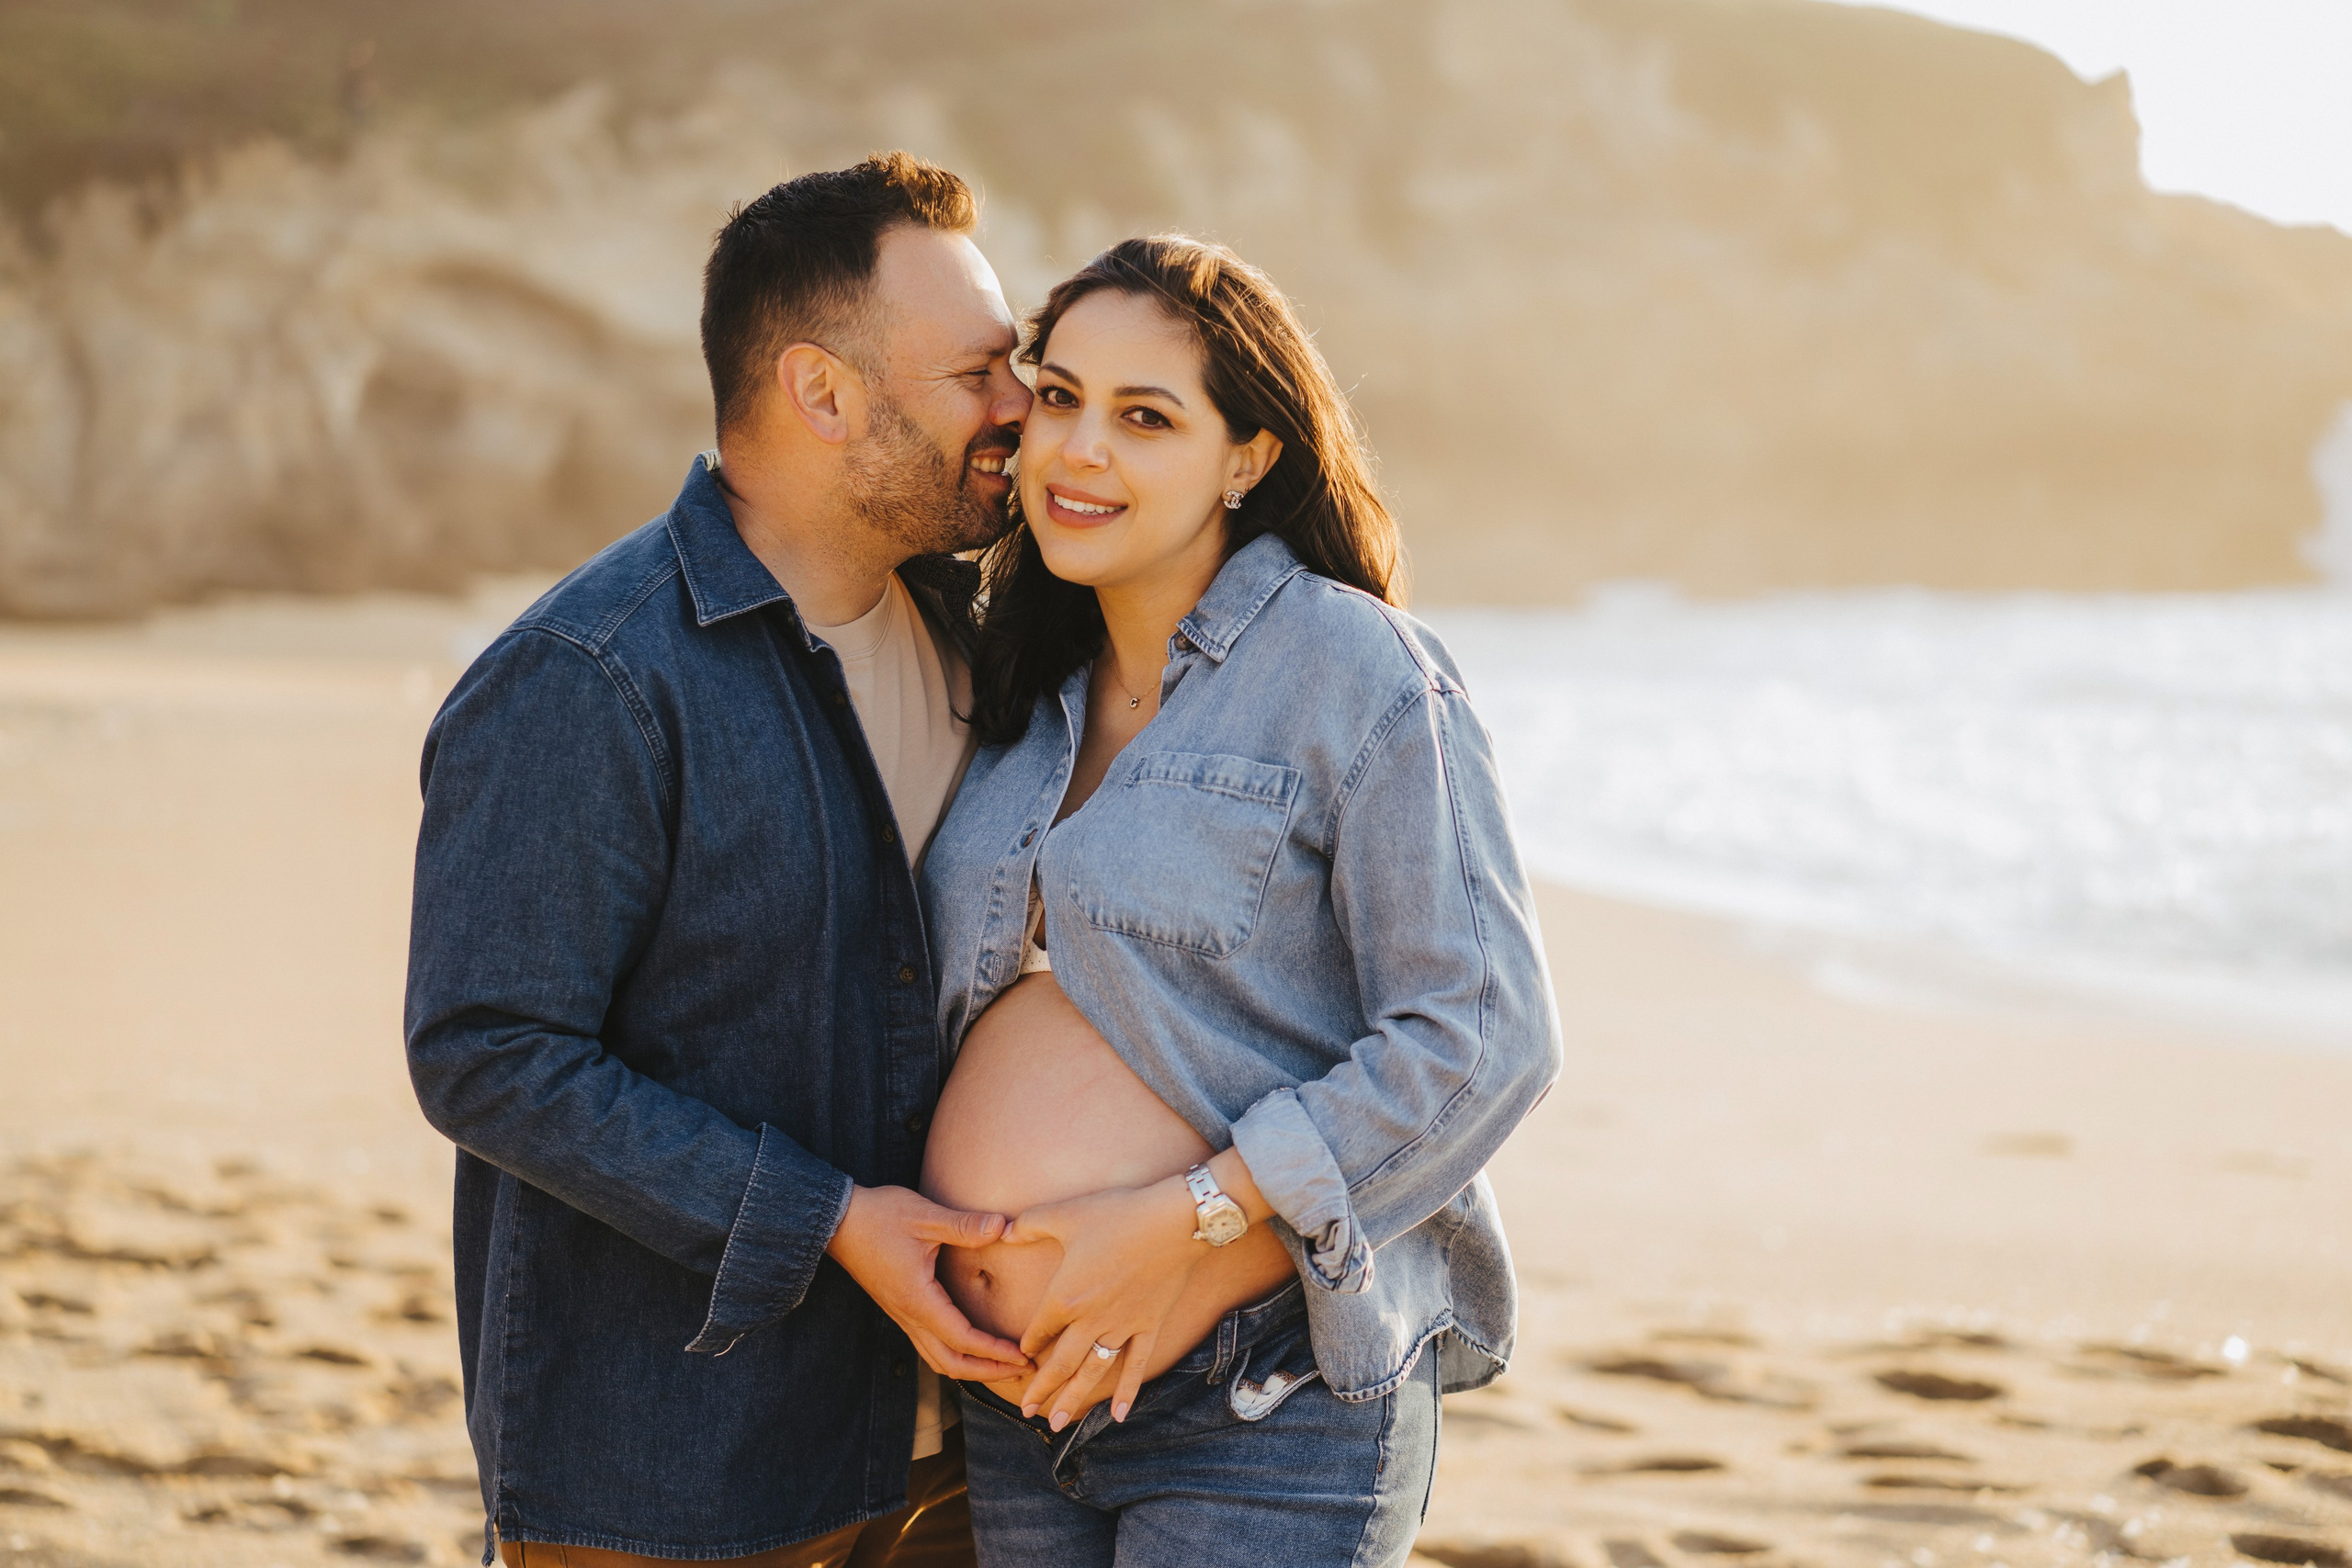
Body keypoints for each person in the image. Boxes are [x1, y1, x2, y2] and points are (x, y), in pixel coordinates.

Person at [404, 152, 1035, 1566]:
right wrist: (829, 1223)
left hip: (957, 1450)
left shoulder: (985, 644)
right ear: (823, 394)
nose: (1019, 407)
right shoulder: (592, 676)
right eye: (977, 373)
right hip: (679, 1466)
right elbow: (487, 1049)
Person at [916, 235, 1564, 1565]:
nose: (1080, 450)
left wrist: (1190, 1220)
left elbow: (1486, 1031)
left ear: (1247, 459)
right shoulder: (1020, 688)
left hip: (1261, 1390)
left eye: (1145, 418)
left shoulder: (1351, 666)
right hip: (1018, 1398)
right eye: (1059, 398)